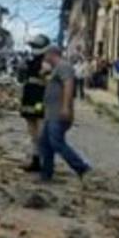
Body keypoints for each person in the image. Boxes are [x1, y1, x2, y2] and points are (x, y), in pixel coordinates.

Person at [37, 44, 90, 182]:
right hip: (51, 113)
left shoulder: (63, 66)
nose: (44, 57)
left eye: (45, 54)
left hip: (58, 112)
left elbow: (68, 85)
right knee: (45, 143)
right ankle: (46, 174)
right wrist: (43, 74)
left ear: (51, 54)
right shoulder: (55, 69)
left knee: (56, 142)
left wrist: (66, 107)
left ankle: (81, 167)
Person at [16, 35, 50, 172]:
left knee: (40, 127)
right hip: (29, 98)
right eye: (33, 46)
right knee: (32, 130)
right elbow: (21, 78)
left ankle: (44, 160)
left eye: (36, 46)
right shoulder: (30, 61)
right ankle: (36, 160)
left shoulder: (46, 63)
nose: (34, 49)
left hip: (39, 100)